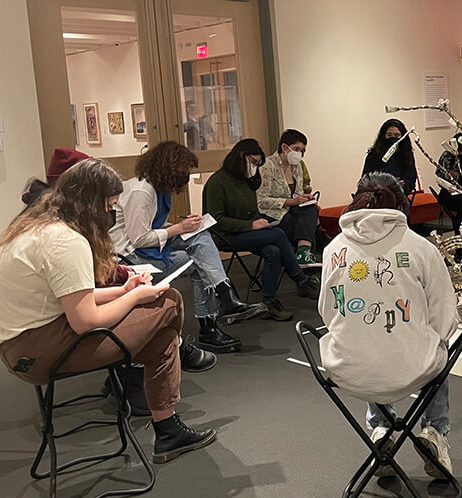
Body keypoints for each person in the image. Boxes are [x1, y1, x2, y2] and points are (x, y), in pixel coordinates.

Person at [0, 159, 216, 464]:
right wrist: (137, 296)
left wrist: (124, 290)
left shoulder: (35, 229)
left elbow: (72, 298)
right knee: (169, 303)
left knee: (161, 337)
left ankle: (169, 429)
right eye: (110, 204)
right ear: (92, 202)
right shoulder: (65, 242)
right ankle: (177, 385)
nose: (111, 213)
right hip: (44, 350)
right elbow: (85, 320)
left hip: (20, 348)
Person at [318, 172, 458, 478]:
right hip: (413, 371)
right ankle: (434, 431)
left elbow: (328, 314)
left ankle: (380, 429)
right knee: (440, 346)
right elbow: (445, 318)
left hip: (347, 371)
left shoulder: (332, 250)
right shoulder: (422, 248)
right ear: (401, 205)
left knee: (363, 333)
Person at [111, 141, 267, 354]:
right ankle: (212, 322)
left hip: (146, 246)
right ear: (169, 168)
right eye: (184, 170)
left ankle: (225, 296)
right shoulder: (142, 192)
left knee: (200, 235)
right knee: (198, 263)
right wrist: (179, 228)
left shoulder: (157, 189)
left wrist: (187, 227)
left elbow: (153, 227)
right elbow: (139, 239)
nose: (186, 175)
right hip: (131, 258)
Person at [203, 139, 319, 322]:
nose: (255, 168)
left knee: (273, 251)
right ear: (242, 157)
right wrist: (250, 225)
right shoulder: (217, 183)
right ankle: (300, 278)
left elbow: (251, 210)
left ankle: (268, 301)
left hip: (247, 231)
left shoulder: (246, 180)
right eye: (254, 163)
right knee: (279, 235)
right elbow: (216, 221)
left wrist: (258, 220)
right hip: (225, 235)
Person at [257, 129, 321, 268]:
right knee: (308, 227)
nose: (300, 154)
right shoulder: (267, 166)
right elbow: (261, 201)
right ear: (285, 147)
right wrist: (292, 201)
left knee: (311, 208)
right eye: (297, 149)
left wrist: (304, 197)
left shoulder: (297, 166)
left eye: (303, 150)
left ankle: (303, 256)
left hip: (294, 210)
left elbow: (297, 194)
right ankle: (305, 266)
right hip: (273, 214)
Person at [362, 118, 418, 195]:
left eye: (397, 135)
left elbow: (411, 179)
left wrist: (404, 184)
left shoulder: (406, 154)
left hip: (400, 198)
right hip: (377, 199)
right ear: (383, 136)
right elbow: (365, 180)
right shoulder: (373, 155)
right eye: (389, 135)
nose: (393, 138)